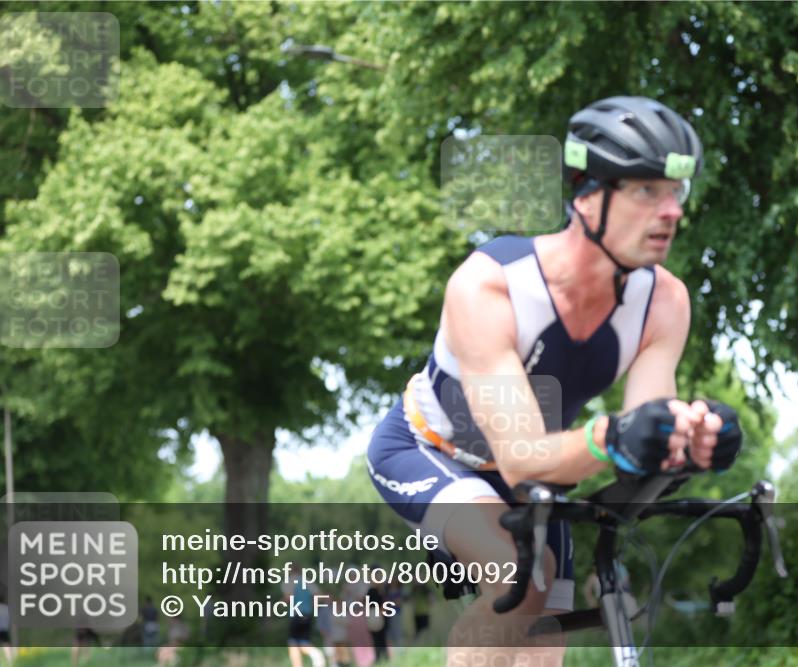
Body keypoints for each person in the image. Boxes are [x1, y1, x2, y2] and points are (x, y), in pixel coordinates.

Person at [365, 96, 744, 667]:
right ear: (587, 194)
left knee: (545, 643)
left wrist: (691, 442)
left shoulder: (664, 301)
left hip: (540, 472)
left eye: (676, 192)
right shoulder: (491, 285)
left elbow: (640, 440)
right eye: (647, 191)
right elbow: (522, 458)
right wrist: (611, 437)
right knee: (521, 580)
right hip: (430, 450)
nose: (671, 211)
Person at [282, 563, 326, 667]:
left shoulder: (289, 581)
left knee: (293, 643)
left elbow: (288, 597)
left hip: (296, 615)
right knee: (302, 641)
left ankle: (314, 654)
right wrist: (310, 605)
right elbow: (320, 596)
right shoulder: (308, 581)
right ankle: (314, 653)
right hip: (307, 615)